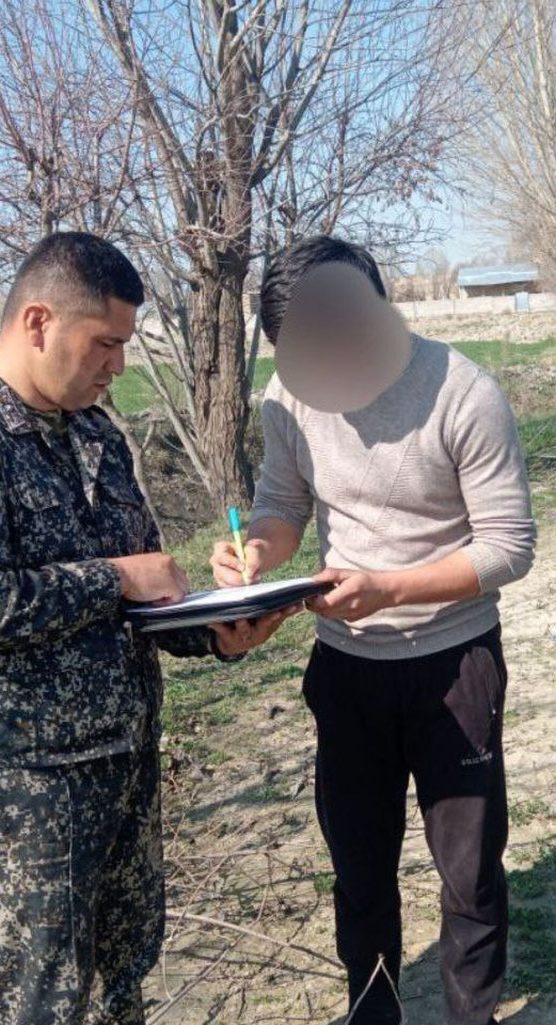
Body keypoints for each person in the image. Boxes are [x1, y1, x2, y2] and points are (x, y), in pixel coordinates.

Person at [0, 232, 295, 1025]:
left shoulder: (95, 435)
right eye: (106, 342)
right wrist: (116, 576)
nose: (119, 365)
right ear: (38, 322)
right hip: (33, 787)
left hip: (126, 763)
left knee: (121, 982)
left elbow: (139, 599)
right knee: (44, 999)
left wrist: (214, 631)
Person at [210, 235, 537, 1025]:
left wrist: (391, 587)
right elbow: (282, 504)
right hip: (347, 668)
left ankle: (472, 1016)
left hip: (453, 664)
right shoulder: (287, 398)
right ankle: (372, 1011)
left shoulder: (464, 393)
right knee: (359, 869)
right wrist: (257, 550)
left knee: (470, 872)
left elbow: (509, 545)